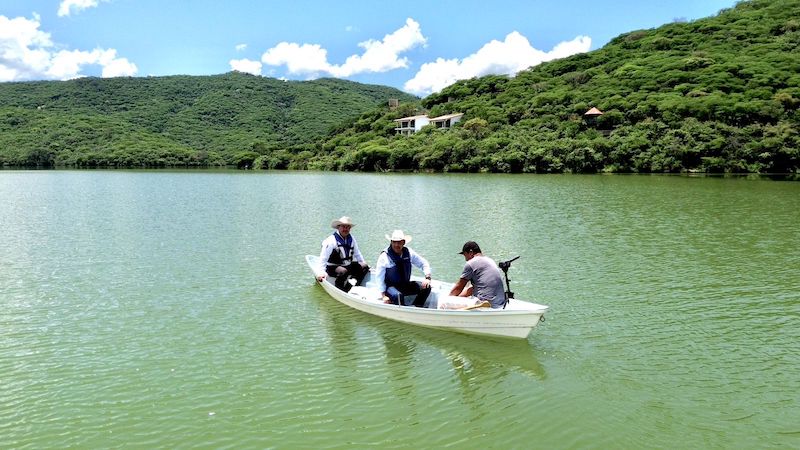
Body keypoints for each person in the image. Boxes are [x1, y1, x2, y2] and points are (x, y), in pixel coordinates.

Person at [375, 230, 432, 307]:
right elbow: (379, 277)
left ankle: (416, 306)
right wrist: (383, 295)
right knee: (398, 296)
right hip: (391, 287)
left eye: (399, 242)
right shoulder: (384, 256)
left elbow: (423, 263)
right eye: (394, 242)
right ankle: (404, 310)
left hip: (405, 285)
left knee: (426, 287)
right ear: (391, 242)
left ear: (403, 243)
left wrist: (427, 277)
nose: (396, 245)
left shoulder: (409, 252)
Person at [315, 216, 369, 292]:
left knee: (365, 266)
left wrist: (363, 261)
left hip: (347, 265)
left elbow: (357, 253)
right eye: (343, 226)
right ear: (338, 227)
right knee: (343, 271)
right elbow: (323, 258)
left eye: (348, 227)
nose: (345, 229)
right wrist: (321, 272)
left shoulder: (352, 239)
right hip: (332, 267)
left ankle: (355, 285)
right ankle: (340, 288)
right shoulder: (331, 241)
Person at [449, 241, 507, 308]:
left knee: (445, 304)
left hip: (484, 303)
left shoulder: (471, 263)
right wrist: (459, 298)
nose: (466, 260)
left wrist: (449, 299)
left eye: (465, 256)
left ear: (471, 252)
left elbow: (458, 288)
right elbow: (471, 289)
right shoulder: (490, 261)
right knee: (470, 288)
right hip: (499, 303)